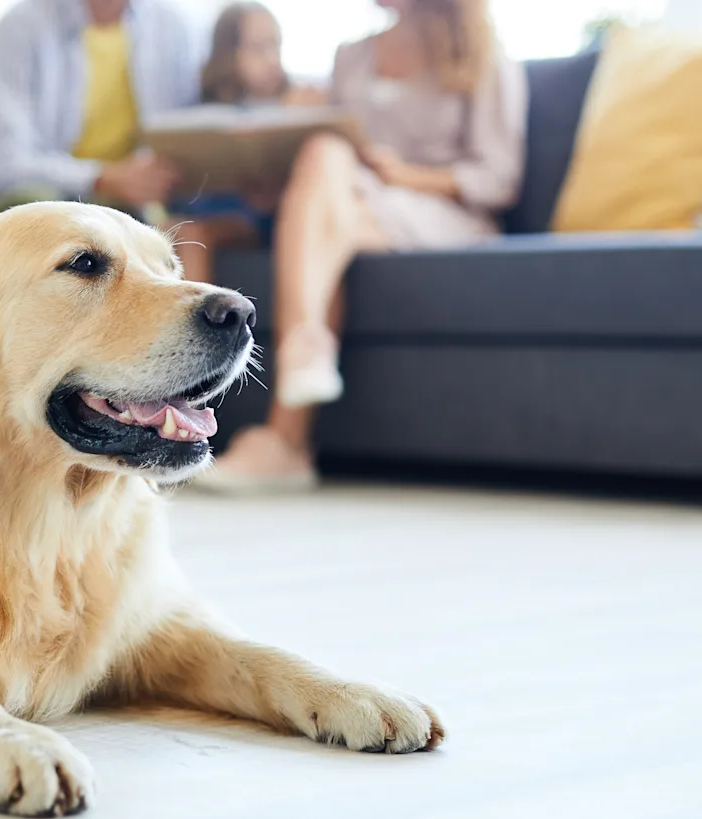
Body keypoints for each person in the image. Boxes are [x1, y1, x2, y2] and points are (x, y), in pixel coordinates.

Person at [197, 0, 526, 492]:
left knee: (326, 208)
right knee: (324, 160)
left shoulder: (484, 56)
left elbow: (499, 178)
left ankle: (288, 433)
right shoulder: (350, 56)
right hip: (352, 205)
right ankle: (299, 378)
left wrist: (407, 174)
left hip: (439, 211)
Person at [0, 0, 205, 241]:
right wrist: (102, 178)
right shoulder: (19, 26)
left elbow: (189, 132)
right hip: (10, 204)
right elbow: (4, 161)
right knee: (46, 210)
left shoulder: (175, 28)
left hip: (117, 210)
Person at [169, 2, 329, 287]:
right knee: (167, 230)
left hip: (262, 219)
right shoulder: (202, 112)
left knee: (191, 233)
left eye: (275, 46)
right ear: (228, 54)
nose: (271, 59)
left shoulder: (299, 102)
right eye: (258, 48)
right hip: (210, 207)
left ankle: (197, 330)